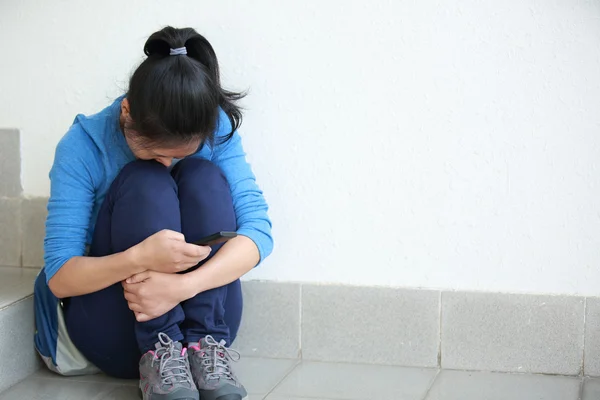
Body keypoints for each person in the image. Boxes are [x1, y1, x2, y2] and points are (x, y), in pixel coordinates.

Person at [33, 26, 273, 400]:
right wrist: (139, 258)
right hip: (118, 327)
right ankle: (159, 352)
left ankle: (203, 346)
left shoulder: (215, 125)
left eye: (181, 151)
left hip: (205, 324)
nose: (169, 161)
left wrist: (181, 287)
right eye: (157, 150)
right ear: (126, 111)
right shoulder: (82, 145)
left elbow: (259, 233)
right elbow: (60, 277)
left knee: (202, 175)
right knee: (146, 180)